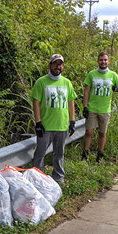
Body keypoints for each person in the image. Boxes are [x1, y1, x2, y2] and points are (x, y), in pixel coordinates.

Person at [30, 53, 76, 182]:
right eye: (55, 63)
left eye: (60, 64)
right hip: (46, 126)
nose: (58, 66)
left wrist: (72, 121)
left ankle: (58, 178)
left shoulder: (67, 83)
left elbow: (71, 102)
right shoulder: (41, 82)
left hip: (61, 125)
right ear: (50, 65)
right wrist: (38, 123)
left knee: (59, 154)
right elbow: (36, 103)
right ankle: (38, 177)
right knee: (40, 153)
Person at [80, 51, 118, 160]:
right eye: (101, 60)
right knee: (89, 131)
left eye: (105, 60)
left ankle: (100, 154)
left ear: (108, 61)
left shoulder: (113, 75)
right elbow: (86, 91)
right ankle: (85, 154)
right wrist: (85, 106)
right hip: (92, 108)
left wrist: (117, 89)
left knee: (102, 133)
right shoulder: (92, 74)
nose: (103, 62)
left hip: (105, 109)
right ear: (98, 61)